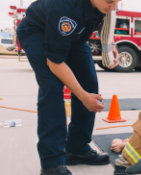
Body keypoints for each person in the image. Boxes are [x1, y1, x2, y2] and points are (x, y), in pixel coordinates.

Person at [16, 0, 120, 174]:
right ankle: (51, 163)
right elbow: (55, 62)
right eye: (110, 1)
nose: (114, 7)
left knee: (89, 83)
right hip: (37, 30)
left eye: (117, 1)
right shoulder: (65, 7)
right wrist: (82, 96)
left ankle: (77, 148)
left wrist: (111, 46)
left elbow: (107, 23)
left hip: (73, 39)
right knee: (52, 88)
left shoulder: (101, 5)